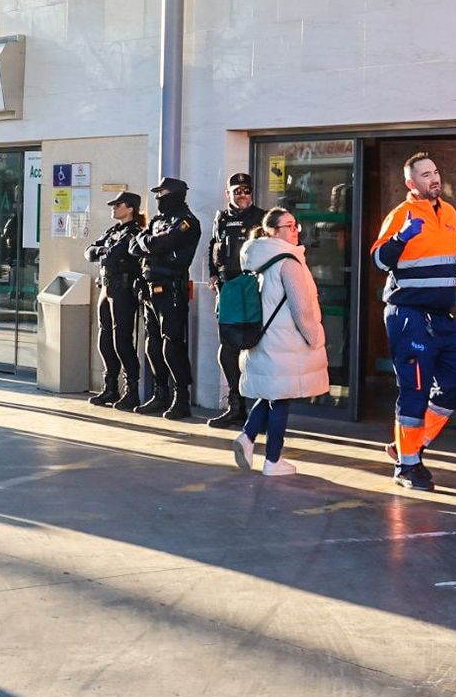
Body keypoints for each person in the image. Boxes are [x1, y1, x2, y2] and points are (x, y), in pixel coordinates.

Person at [371, 152, 456, 490]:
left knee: (455, 383)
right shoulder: (402, 214)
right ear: (411, 184)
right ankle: (408, 467)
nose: (434, 178)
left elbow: (455, 258)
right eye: (426, 175)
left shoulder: (449, 212)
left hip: (441, 317)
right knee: (414, 388)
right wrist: (402, 237)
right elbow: (379, 261)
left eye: (436, 172)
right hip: (408, 315)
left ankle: (406, 447)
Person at [231, 208, 329, 477]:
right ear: (274, 231)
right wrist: (316, 338)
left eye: (296, 224)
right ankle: (273, 460)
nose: (296, 230)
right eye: (289, 226)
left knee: (273, 393)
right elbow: (302, 310)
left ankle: (248, 437)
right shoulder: (289, 263)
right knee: (282, 400)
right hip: (286, 341)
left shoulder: (257, 259)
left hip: (263, 338)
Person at [130, 176, 202, 419]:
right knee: (152, 345)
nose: (158, 198)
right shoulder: (159, 220)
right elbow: (135, 246)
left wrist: (147, 243)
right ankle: (160, 394)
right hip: (150, 287)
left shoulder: (187, 222)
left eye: (162, 193)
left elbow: (162, 245)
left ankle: (180, 397)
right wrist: (147, 242)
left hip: (171, 288)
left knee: (172, 345)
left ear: (176, 194)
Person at [207, 172, 266, 429]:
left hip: (252, 287)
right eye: (237, 191)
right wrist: (212, 275)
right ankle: (235, 405)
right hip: (228, 288)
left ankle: (262, 409)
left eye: (247, 190)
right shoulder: (220, 218)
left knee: (257, 346)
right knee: (228, 348)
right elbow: (214, 246)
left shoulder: (262, 217)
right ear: (227, 193)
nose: (243, 195)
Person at [85, 192, 146, 409]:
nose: (113, 208)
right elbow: (89, 252)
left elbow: (115, 255)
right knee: (105, 339)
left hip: (123, 289)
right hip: (106, 286)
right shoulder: (113, 231)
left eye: (118, 204)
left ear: (130, 208)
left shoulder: (134, 232)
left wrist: (103, 252)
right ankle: (110, 388)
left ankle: (132, 391)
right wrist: (102, 250)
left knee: (122, 340)